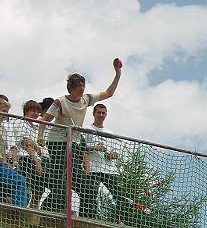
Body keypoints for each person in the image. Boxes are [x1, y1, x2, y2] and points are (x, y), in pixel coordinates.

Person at [38, 60, 122, 214]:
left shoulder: (86, 99)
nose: (82, 88)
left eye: (83, 85)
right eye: (79, 86)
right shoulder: (60, 102)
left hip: (75, 143)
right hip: (57, 142)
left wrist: (118, 74)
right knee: (61, 178)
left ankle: (85, 216)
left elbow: (108, 93)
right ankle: (55, 211)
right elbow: (45, 120)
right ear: (71, 88)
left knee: (81, 183)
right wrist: (40, 136)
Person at [81, 104, 125, 218]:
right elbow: (81, 149)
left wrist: (111, 154)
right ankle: (87, 219)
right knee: (89, 195)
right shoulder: (86, 129)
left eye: (103, 113)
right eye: (98, 112)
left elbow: (116, 153)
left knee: (119, 194)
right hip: (93, 169)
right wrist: (94, 149)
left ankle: (124, 219)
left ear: (106, 114)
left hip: (109, 170)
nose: (101, 115)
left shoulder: (110, 133)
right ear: (94, 114)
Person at [11, 100, 45, 208]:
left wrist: (35, 146)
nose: (35, 113)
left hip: (34, 159)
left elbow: (37, 145)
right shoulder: (21, 123)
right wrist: (37, 162)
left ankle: (31, 210)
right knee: (25, 187)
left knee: (39, 187)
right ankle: (20, 210)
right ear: (26, 111)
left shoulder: (35, 127)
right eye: (33, 111)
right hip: (24, 159)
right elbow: (26, 144)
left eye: (37, 111)